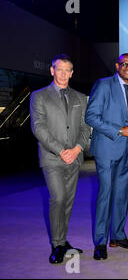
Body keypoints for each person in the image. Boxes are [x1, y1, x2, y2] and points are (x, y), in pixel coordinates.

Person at [30, 54, 90, 264]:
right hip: (52, 158)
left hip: (74, 158)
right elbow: (38, 128)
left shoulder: (80, 98)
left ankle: (63, 240)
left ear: (72, 73)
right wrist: (61, 150)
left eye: (67, 70)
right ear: (52, 70)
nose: (63, 74)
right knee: (58, 198)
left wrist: (77, 148)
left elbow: (85, 128)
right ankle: (57, 244)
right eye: (59, 69)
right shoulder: (39, 96)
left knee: (68, 202)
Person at [85, 53, 128, 260]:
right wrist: (120, 130)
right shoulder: (103, 85)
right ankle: (100, 242)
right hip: (107, 150)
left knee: (122, 196)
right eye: (124, 64)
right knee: (106, 195)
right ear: (117, 66)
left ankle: (118, 236)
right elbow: (91, 116)